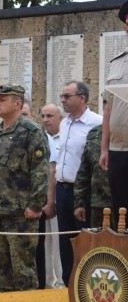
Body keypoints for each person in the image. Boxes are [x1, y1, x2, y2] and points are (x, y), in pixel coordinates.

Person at [0, 84, 49, 292]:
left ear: (17, 103)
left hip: (20, 213)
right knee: (0, 268)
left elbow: (40, 172)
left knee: (23, 270)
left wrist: (36, 205)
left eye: (3, 99)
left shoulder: (31, 132)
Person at [56, 81, 102, 286]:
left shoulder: (97, 123)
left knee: (84, 240)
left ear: (82, 98)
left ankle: (84, 284)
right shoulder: (64, 123)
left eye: (67, 96)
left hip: (83, 191)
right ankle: (68, 282)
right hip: (62, 188)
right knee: (65, 240)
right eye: (62, 97)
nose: (63, 101)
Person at [100, 0, 128, 228]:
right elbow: (107, 108)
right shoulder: (116, 62)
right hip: (118, 150)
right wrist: (104, 148)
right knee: (120, 209)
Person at [38, 103, 64, 288]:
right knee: (44, 242)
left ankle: (61, 281)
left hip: (58, 197)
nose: (45, 120)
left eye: (50, 116)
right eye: (43, 116)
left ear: (60, 118)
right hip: (41, 198)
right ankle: (46, 282)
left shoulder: (66, 136)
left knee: (58, 241)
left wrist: (51, 200)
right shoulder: (40, 137)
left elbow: (54, 170)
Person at [75, 123, 115, 230]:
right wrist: (80, 203)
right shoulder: (94, 133)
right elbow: (84, 171)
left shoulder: (123, 132)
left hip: (122, 204)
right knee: (100, 245)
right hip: (99, 203)